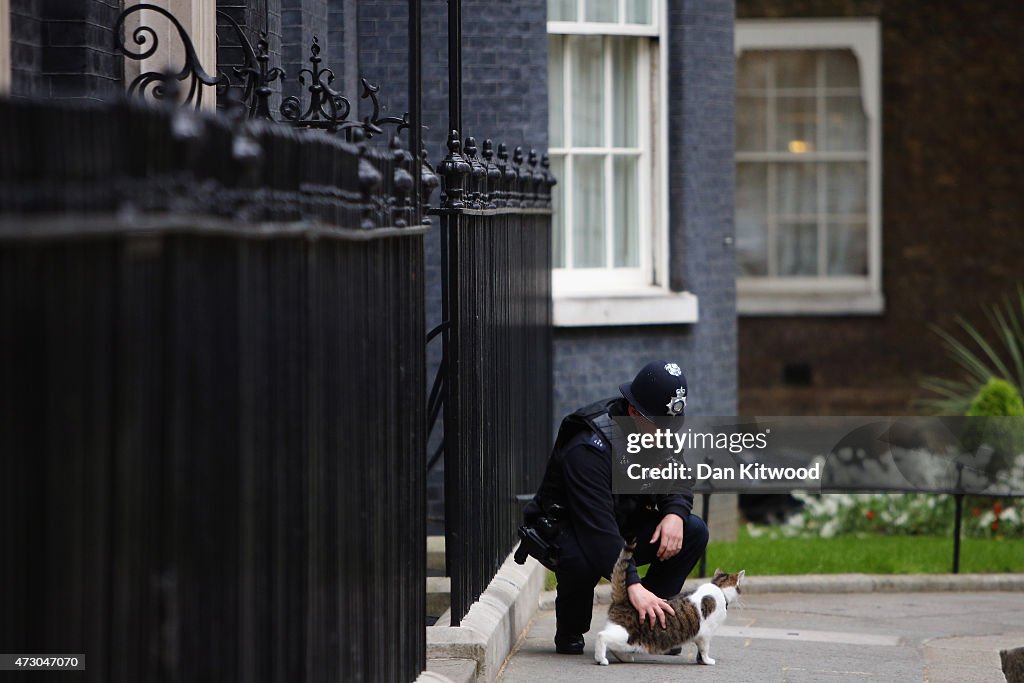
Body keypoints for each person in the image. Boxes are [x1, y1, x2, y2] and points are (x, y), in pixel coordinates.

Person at [521, 360, 709, 655]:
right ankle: (571, 629)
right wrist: (632, 585)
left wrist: (675, 513)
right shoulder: (588, 449)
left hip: (623, 520)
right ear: (633, 412)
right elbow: (597, 529)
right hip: (575, 530)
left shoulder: (657, 428)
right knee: (582, 559)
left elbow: (678, 478)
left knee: (693, 529)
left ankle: (653, 622)